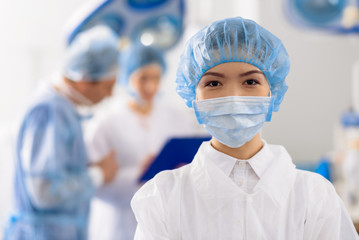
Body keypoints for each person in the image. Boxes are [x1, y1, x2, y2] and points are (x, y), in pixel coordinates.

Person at [130, 17, 359, 239]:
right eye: (213, 83)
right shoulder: (163, 198)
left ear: (272, 93)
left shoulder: (315, 197)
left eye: (250, 82)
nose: (233, 97)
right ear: (193, 96)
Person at [4, 25, 120, 240]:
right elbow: (44, 191)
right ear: (84, 80)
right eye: (107, 86)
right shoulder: (50, 111)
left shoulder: (62, 110)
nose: (111, 95)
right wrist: (99, 174)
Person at [85, 44, 196, 240]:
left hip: (165, 221)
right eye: (143, 78)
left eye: (156, 78)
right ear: (127, 76)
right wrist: (139, 175)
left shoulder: (177, 118)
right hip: (118, 224)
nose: (150, 87)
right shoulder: (105, 122)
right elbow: (91, 185)